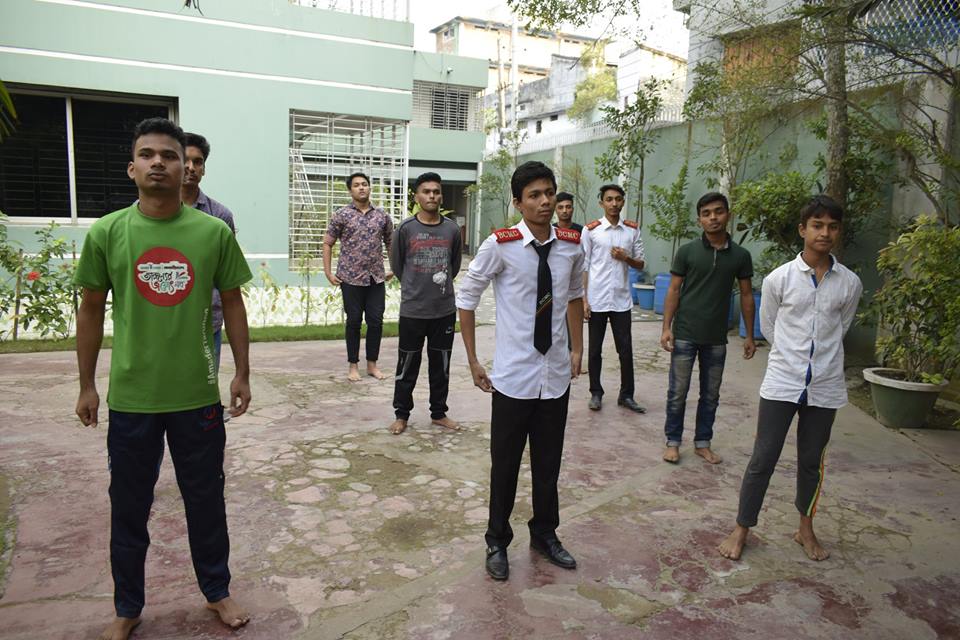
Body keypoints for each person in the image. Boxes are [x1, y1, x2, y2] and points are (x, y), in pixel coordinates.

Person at [73, 117, 253, 640]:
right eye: (147, 155)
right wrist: (87, 384)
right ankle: (127, 606)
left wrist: (242, 372)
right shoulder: (108, 232)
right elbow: (90, 309)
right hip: (133, 399)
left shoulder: (213, 232)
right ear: (132, 168)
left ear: (185, 168)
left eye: (169, 156)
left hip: (197, 396)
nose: (159, 163)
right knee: (129, 507)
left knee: (206, 501)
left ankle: (216, 590)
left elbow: (234, 303)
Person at [457, 161, 585, 581]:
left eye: (549, 192)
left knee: (548, 466)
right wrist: (473, 360)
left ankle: (545, 534)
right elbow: (466, 299)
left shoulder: (571, 245)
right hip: (513, 379)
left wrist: (577, 348)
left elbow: (574, 296)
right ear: (518, 202)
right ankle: (497, 541)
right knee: (506, 467)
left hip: (555, 378)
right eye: (534, 195)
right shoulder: (501, 245)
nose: (545, 201)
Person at [717, 195, 862, 562]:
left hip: (825, 385)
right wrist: (794, 359)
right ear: (803, 230)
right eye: (817, 225)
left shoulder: (849, 283)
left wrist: (818, 360)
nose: (824, 233)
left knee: (811, 461)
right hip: (783, 381)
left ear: (838, 231)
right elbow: (769, 326)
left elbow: (841, 328)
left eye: (832, 226)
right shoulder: (779, 279)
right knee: (763, 457)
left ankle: (805, 529)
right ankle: (742, 527)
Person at [660, 192, 756, 465]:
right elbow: (674, 289)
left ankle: (703, 443)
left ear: (728, 215)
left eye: (718, 211)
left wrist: (749, 335)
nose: (713, 218)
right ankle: (673, 442)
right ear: (699, 220)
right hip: (685, 334)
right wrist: (666, 327)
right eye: (706, 213)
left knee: (711, 395)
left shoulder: (741, 256)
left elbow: (746, 295)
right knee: (677, 392)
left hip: (716, 338)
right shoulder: (687, 252)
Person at [388, 172, 463, 435]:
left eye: (436, 192)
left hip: (444, 310)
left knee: (441, 365)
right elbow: (398, 266)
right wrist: (416, 286)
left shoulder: (452, 229)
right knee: (407, 364)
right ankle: (401, 415)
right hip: (413, 310)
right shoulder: (405, 229)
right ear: (416, 196)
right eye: (426, 191)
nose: (432, 196)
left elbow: (454, 266)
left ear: (440, 196)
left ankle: (439, 413)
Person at [323, 172, 394, 382]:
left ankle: (372, 365)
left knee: (376, 321)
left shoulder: (382, 216)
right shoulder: (341, 215)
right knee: (353, 321)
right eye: (356, 185)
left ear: (370, 188)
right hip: (350, 278)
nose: (361, 187)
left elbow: (391, 243)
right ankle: (353, 365)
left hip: (376, 278)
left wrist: (395, 268)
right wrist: (328, 272)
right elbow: (328, 243)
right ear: (350, 190)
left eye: (364, 184)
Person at [581, 184, 646, 413]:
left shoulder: (631, 231)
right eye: (609, 199)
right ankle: (596, 393)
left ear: (623, 202)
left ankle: (626, 395)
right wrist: (584, 300)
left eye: (618, 199)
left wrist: (626, 258)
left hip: (621, 300)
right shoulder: (591, 230)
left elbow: (641, 263)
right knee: (594, 350)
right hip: (597, 299)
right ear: (602, 203)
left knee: (625, 350)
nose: (614, 203)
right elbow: (584, 266)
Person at [180, 132, 238, 372]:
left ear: (204, 169)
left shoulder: (220, 216)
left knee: (205, 382)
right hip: (161, 319)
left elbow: (228, 278)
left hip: (207, 321)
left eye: (198, 162)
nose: (190, 167)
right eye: (184, 160)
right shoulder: (146, 213)